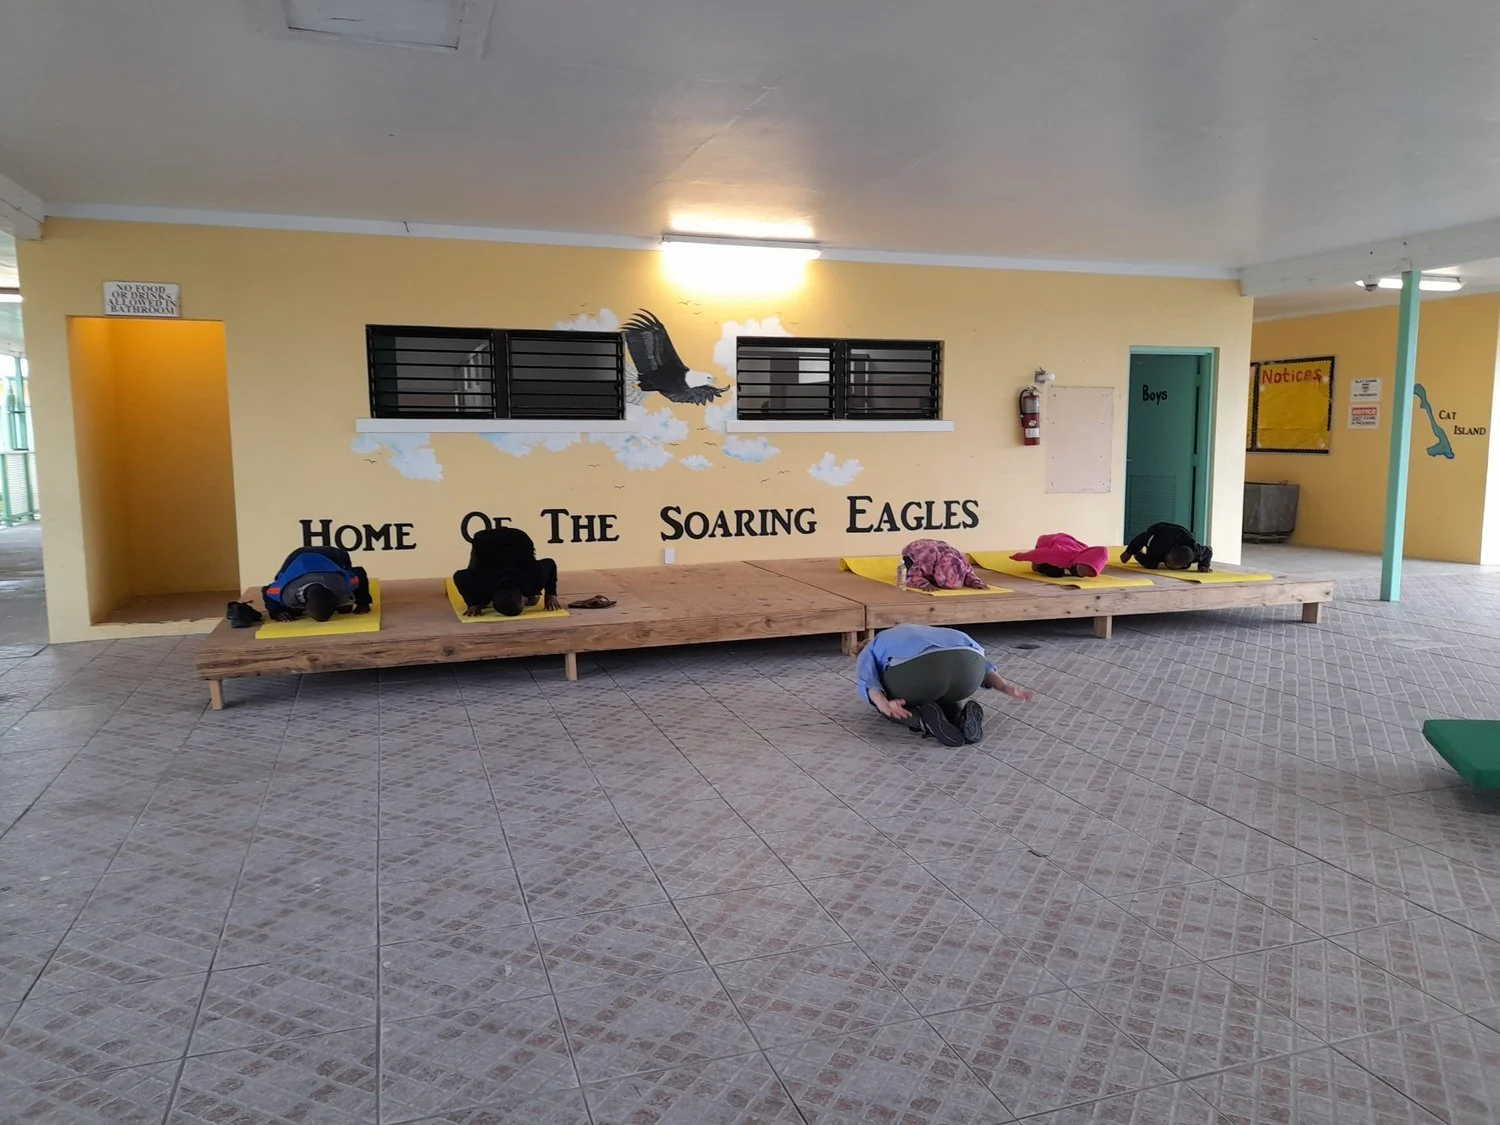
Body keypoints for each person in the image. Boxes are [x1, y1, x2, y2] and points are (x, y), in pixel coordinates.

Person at [855, 623, 1033, 746]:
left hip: (923, 671)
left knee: (888, 701)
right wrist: (1006, 688)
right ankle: (959, 718)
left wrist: (884, 705)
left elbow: (869, 680)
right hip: (970, 671)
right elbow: (985, 668)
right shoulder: (919, 631)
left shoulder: (871, 646)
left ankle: (924, 721)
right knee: (943, 692)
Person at [454, 525, 562, 617]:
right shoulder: (534, 581)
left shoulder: (535, 580)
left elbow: (550, 564)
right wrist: (473, 603)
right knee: (533, 601)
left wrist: (550, 594)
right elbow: (459, 576)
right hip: (496, 540)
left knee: (533, 600)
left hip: (512, 539)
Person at [262, 546, 372, 622]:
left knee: (345, 609)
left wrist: (363, 602)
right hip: (298, 557)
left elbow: (359, 572)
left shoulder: (342, 582)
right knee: (293, 610)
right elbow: (267, 591)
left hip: (331, 556)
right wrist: (277, 611)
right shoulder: (287, 591)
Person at [1122, 522, 1213, 572]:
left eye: (1171, 565)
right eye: (1167, 561)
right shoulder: (1159, 544)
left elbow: (1209, 551)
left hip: (1183, 535)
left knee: (1152, 564)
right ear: (1172, 550)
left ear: (1185, 564)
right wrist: (1129, 552)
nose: (1167, 565)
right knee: (1150, 564)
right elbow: (1143, 537)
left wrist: (1204, 565)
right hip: (1160, 530)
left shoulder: (1197, 552)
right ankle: (1138, 554)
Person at [1013, 532, 1110, 579]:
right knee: (1053, 571)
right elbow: (1038, 554)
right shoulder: (1061, 552)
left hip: (1069, 543)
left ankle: (1077, 570)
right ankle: (1039, 566)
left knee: (1058, 570)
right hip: (1047, 541)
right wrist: (1020, 556)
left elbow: (1099, 556)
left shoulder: (1085, 551)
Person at [901, 538, 987, 591]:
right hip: (914, 551)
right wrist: (923, 584)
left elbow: (969, 573)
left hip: (938, 549)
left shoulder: (962, 559)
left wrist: (974, 582)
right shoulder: (927, 558)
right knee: (914, 573)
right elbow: (909, 576)